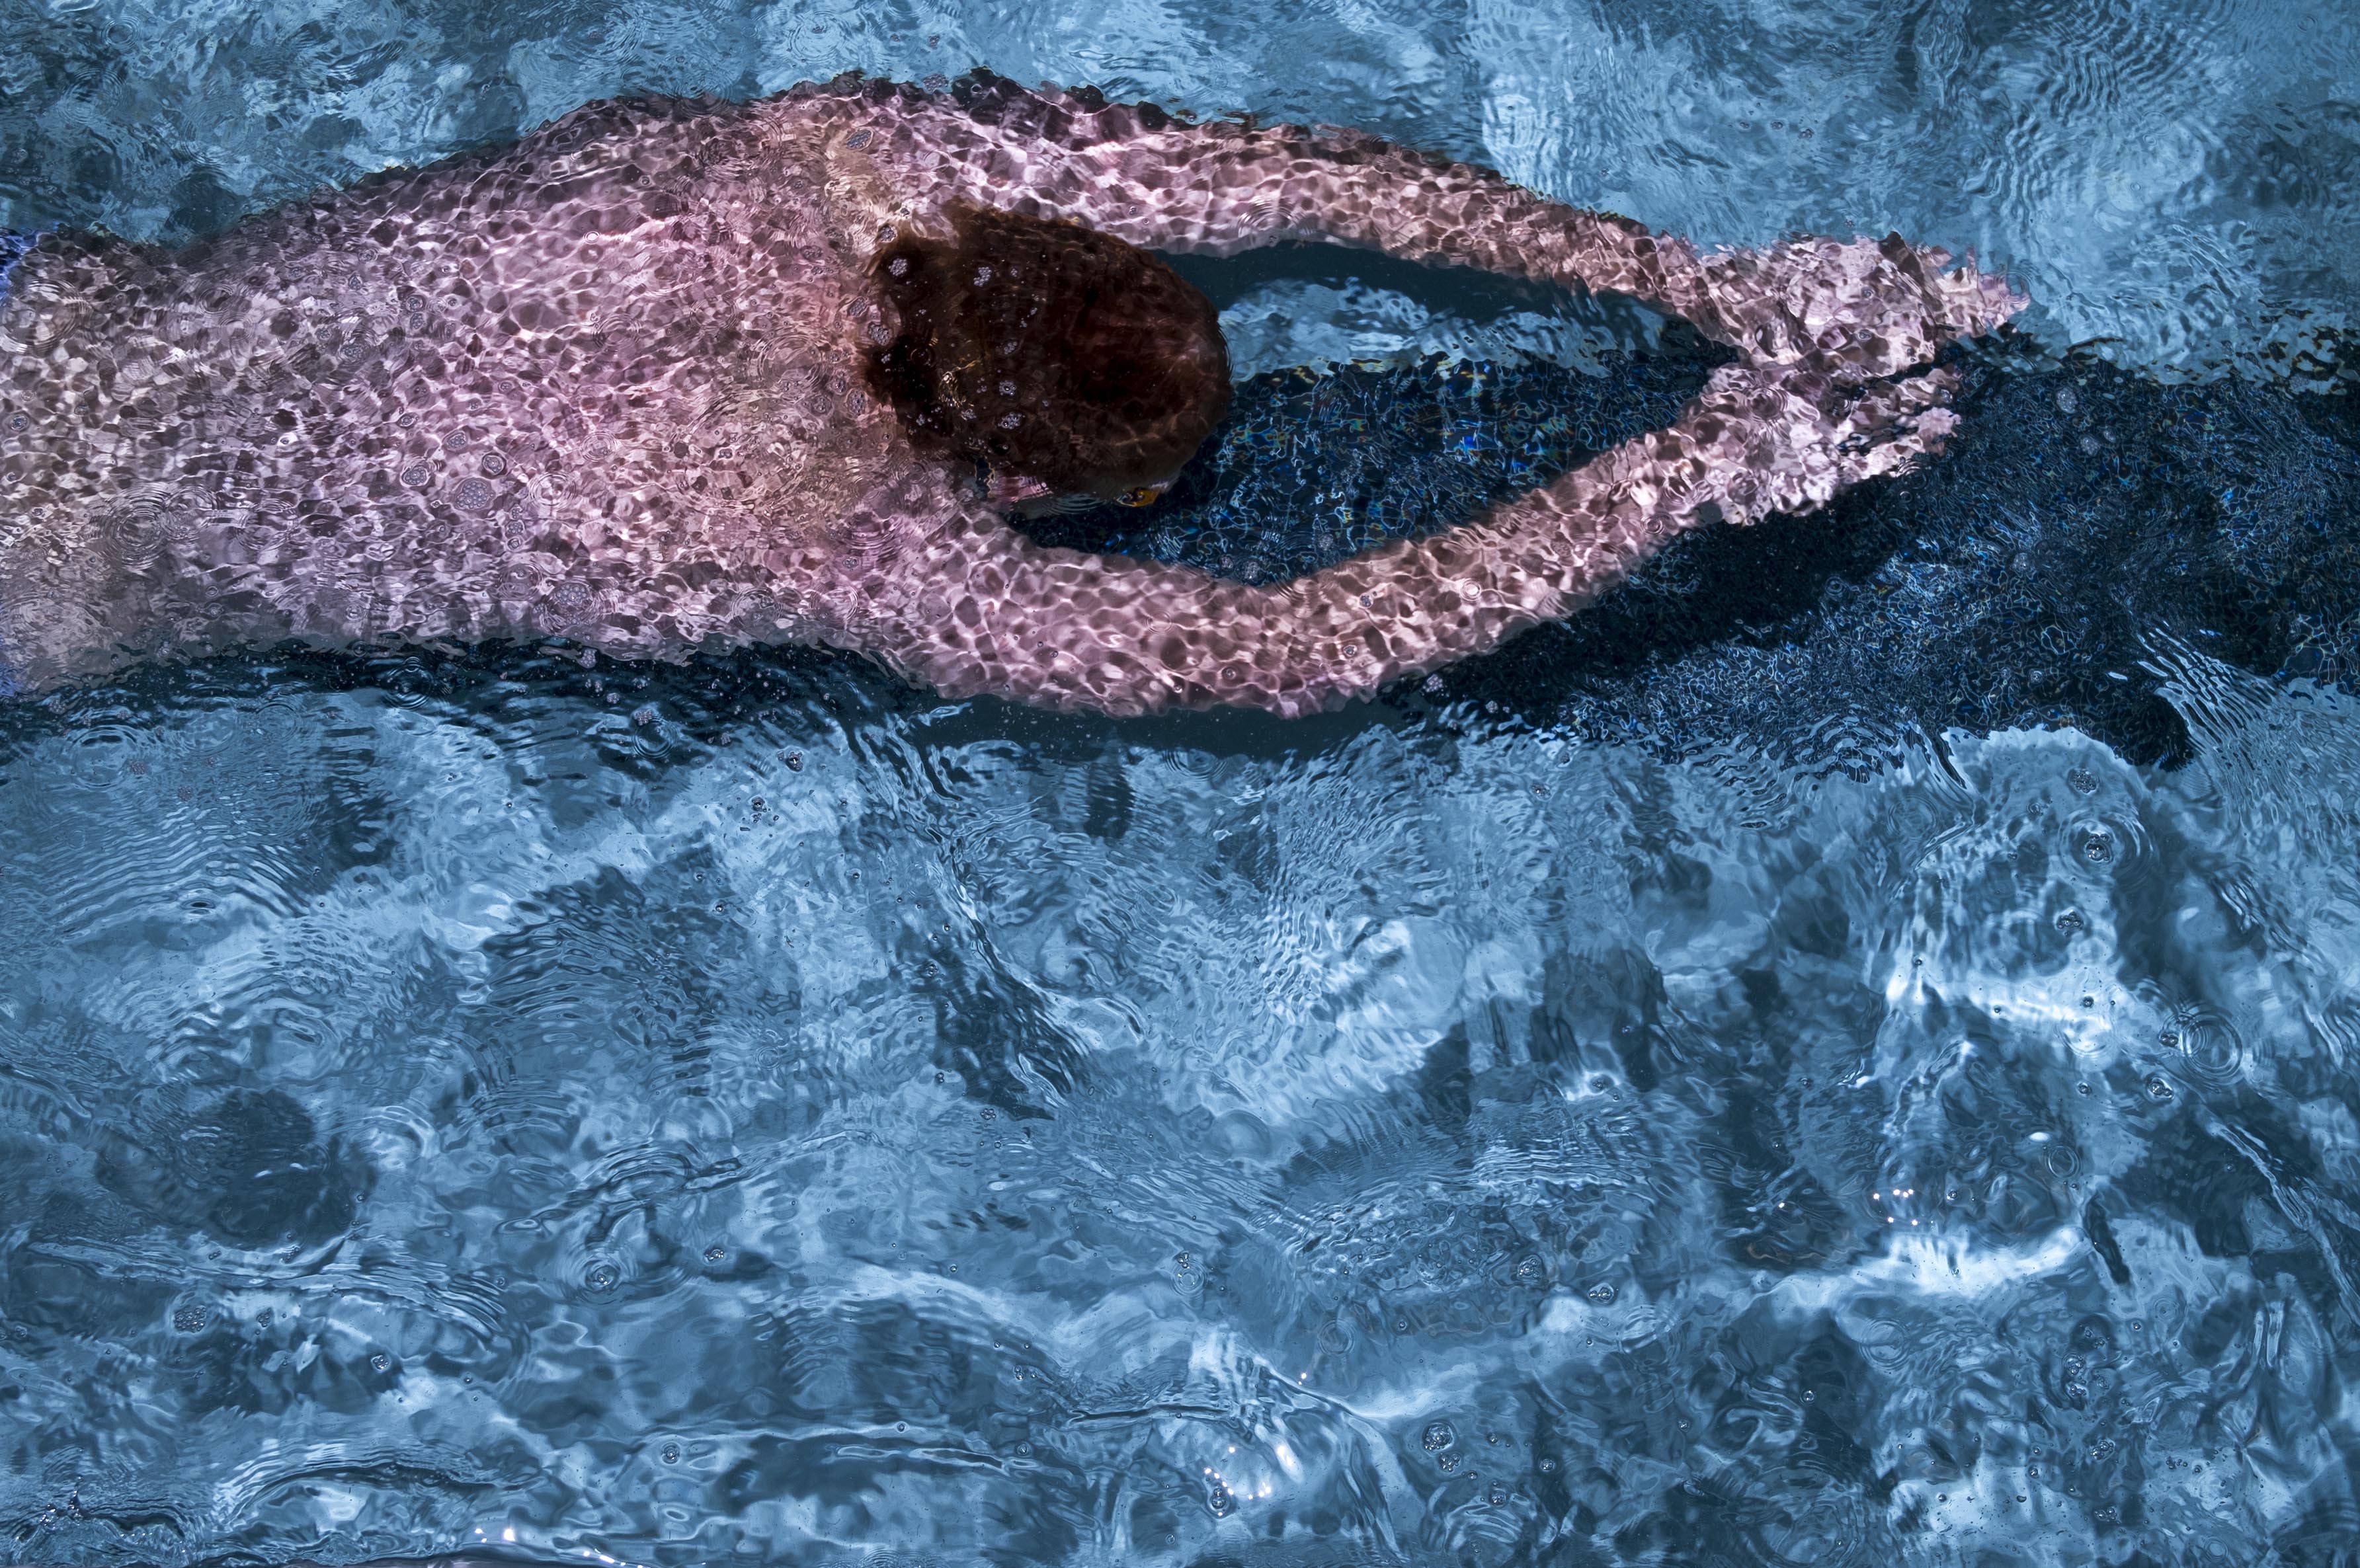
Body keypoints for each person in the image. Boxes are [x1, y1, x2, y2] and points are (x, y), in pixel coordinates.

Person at [0, 71, 2021, 715]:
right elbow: (1281, 646)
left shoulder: (822, 160)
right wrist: (1691, 463)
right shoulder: (850, 538)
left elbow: (1267, 177)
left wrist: (1677, 272)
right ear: (1035, 490)